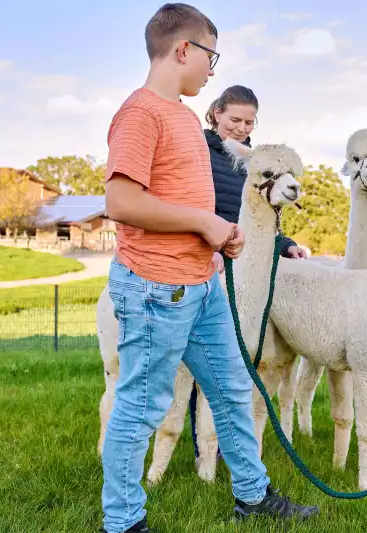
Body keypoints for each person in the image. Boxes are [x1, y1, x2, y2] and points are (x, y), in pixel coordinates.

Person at [100, 4, 318, 532]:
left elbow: (195, 200)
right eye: (210, 55)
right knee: (142, 406)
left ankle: (251, 494)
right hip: (156, 288)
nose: (212, 69)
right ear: (183, 50)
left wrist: (226, 230)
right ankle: (123, 520)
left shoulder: (183, 117)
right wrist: (204, 223)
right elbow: (121, 201)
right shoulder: (141, 113)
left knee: (232, 389)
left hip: (203, 285)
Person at [186, 84, 306, 462]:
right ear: (216, 113)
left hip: (244, 260)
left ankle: (228, 443)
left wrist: (286, 244)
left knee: (240, 356)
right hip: (206, 255)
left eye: (248, 121)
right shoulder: (197, 149)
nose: (240, 127)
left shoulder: (256, 161)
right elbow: (192, 205)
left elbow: (260, 215)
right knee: (205, 358)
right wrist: (212, 244)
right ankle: (202, 442)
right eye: (234, 119)